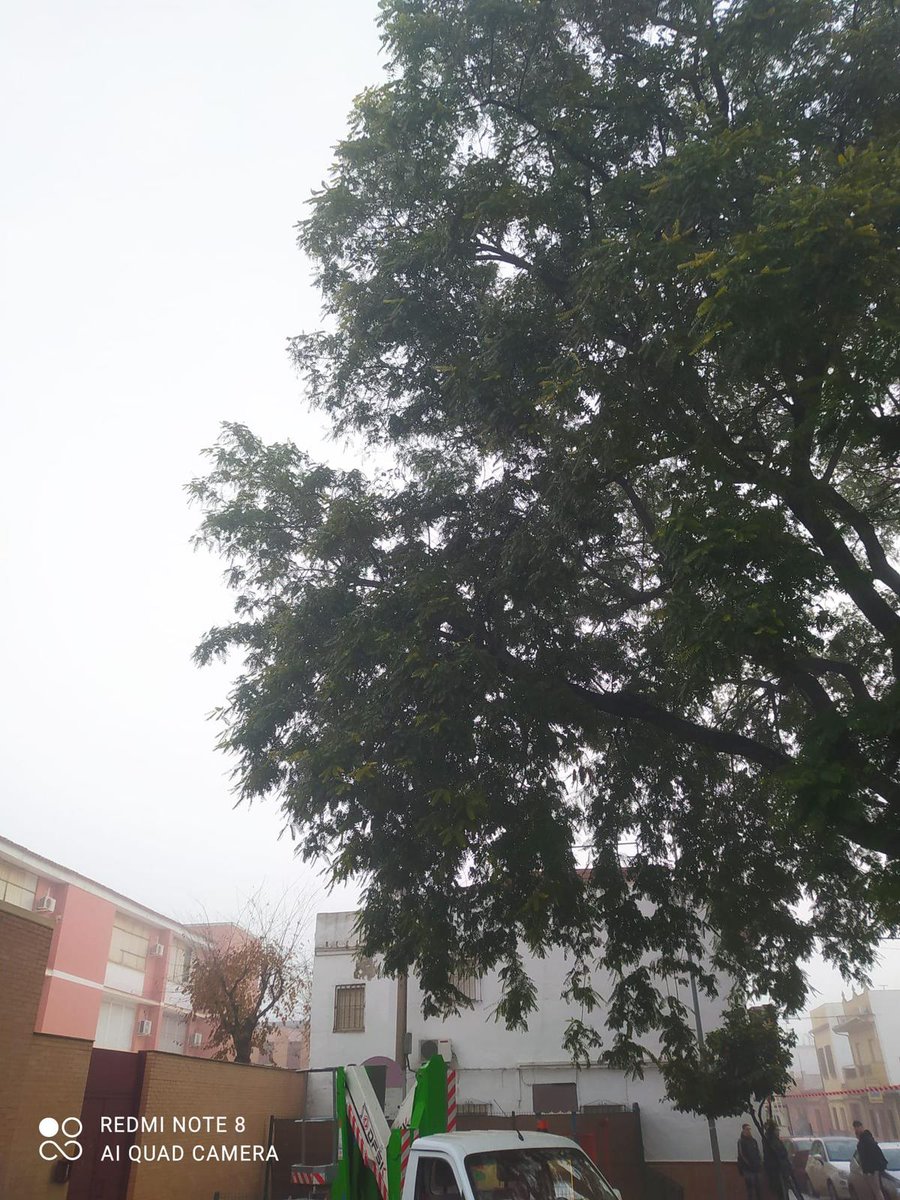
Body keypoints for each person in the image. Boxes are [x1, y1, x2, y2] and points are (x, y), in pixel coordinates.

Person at [853, 1120, 888, 1200]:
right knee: (875, 1191)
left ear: (861, 1127)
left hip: (872, 1170)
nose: (856, 1130)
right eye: (855, 1128)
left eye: (858, 1127)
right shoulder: (864, 1140)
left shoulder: (867, 1140)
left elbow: (872, 1155)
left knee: (877, 1190)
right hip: (870, 1170)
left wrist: (870, 1170)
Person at [737, 1123, 763, 1200]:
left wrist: (759, 1163)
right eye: (747, 1129)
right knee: (750, 1187)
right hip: (747, 1169)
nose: (749, 1131)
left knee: (758, 1187)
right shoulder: (741, 1141)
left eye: (749, 1129)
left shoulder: (753, 1141)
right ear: (743, 1130)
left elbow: (758, 1153)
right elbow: (742, 1155)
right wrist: (749, 1164)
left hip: (756, 1167)